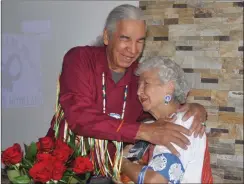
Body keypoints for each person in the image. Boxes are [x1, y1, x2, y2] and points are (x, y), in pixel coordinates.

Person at [46, 4, 208, 182]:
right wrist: (143, 131)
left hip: (110, 174)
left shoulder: (138, 75)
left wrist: (194, 108)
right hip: (64, 170)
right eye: (125, 38)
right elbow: (79, 117)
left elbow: (160, 106)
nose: (133, 50)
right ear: (107, 36)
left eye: (139, 41)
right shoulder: (80, 59)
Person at [120, 56, 213, 184]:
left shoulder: (183, 123)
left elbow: (155, 181)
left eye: (146, 83)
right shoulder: (153, 125)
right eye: (139, 85)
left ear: (169, 87)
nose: (138, 92)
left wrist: (121, 163)